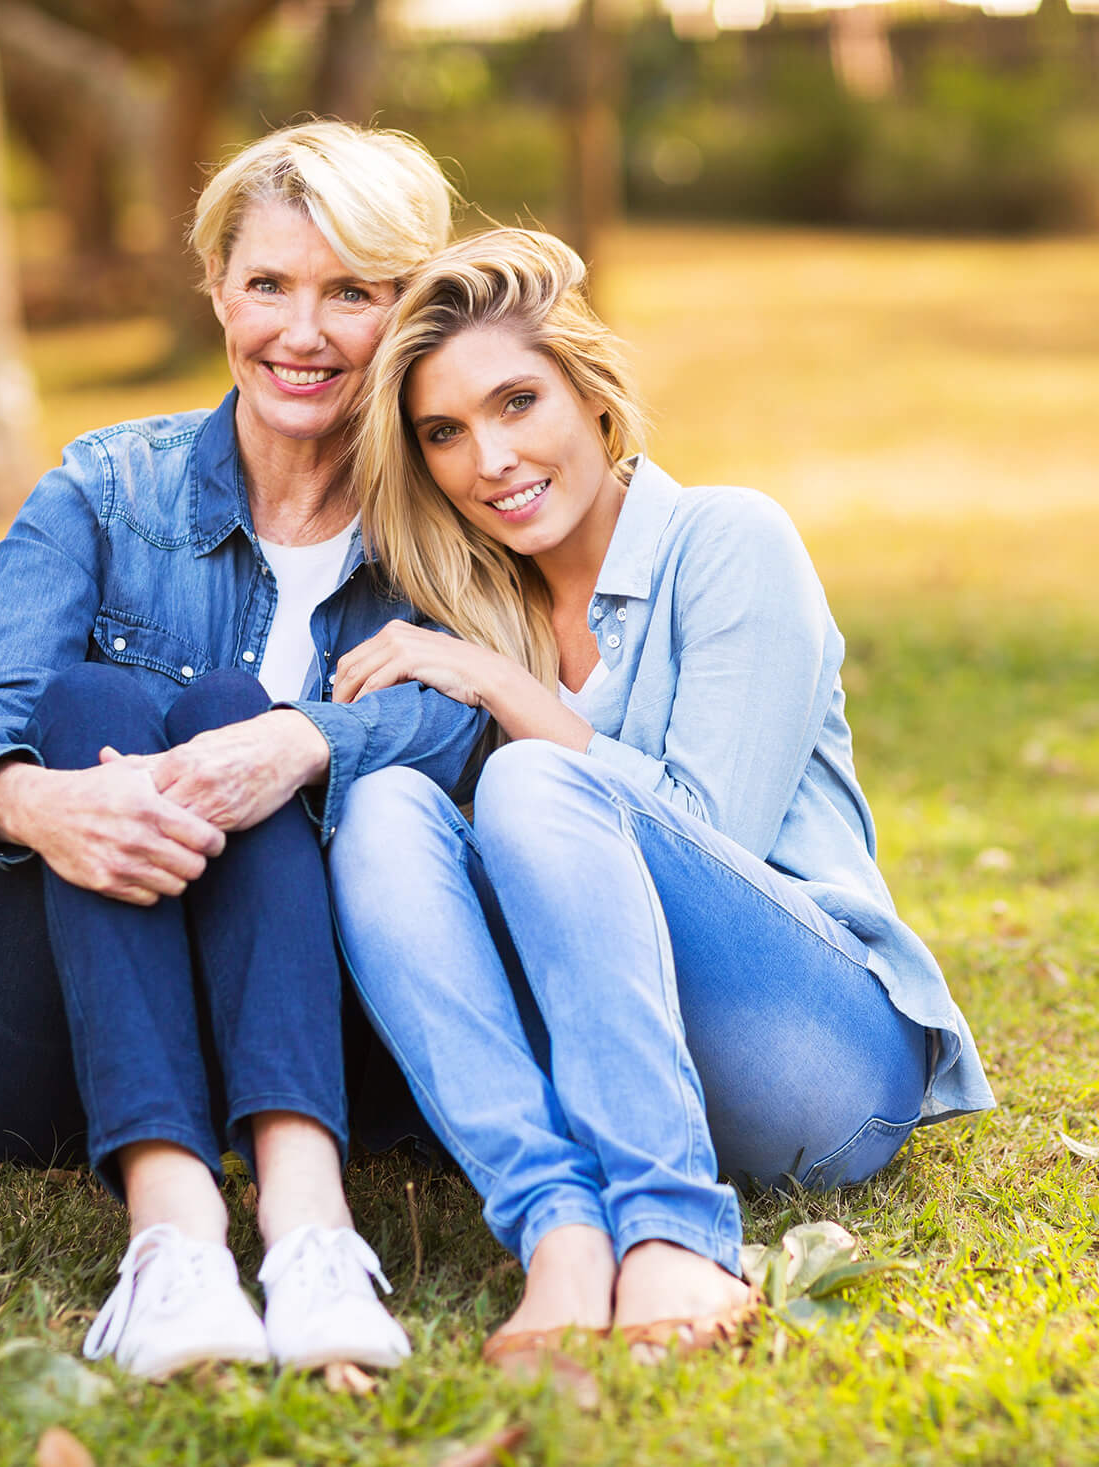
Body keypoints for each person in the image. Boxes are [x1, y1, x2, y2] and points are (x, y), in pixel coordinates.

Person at [323, 229, 995, 1367]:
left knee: (539, 778)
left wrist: (507, 695)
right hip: (610, 1062)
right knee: (383, 810)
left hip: (816, 1057)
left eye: (518, 401)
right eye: (445, 432)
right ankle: (562, 1233)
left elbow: (706, 833)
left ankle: (677, 1233)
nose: (489, 458)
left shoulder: (728, 540)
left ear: (595, 396)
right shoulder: (472, 614)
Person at [0, 122, 484, 1380]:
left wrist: (302, 743)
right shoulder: (104, 492)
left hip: (334, 1043)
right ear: (217, 287)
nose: (302, 333)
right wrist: (36, 804)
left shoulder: (456, 521)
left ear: (411, 311)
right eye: (267, 284)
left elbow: (472, 716)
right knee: (96, 703)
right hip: (29, 1049)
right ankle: (175, 1245)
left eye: (352, 293)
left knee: (229, 707)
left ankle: (305, 1231)